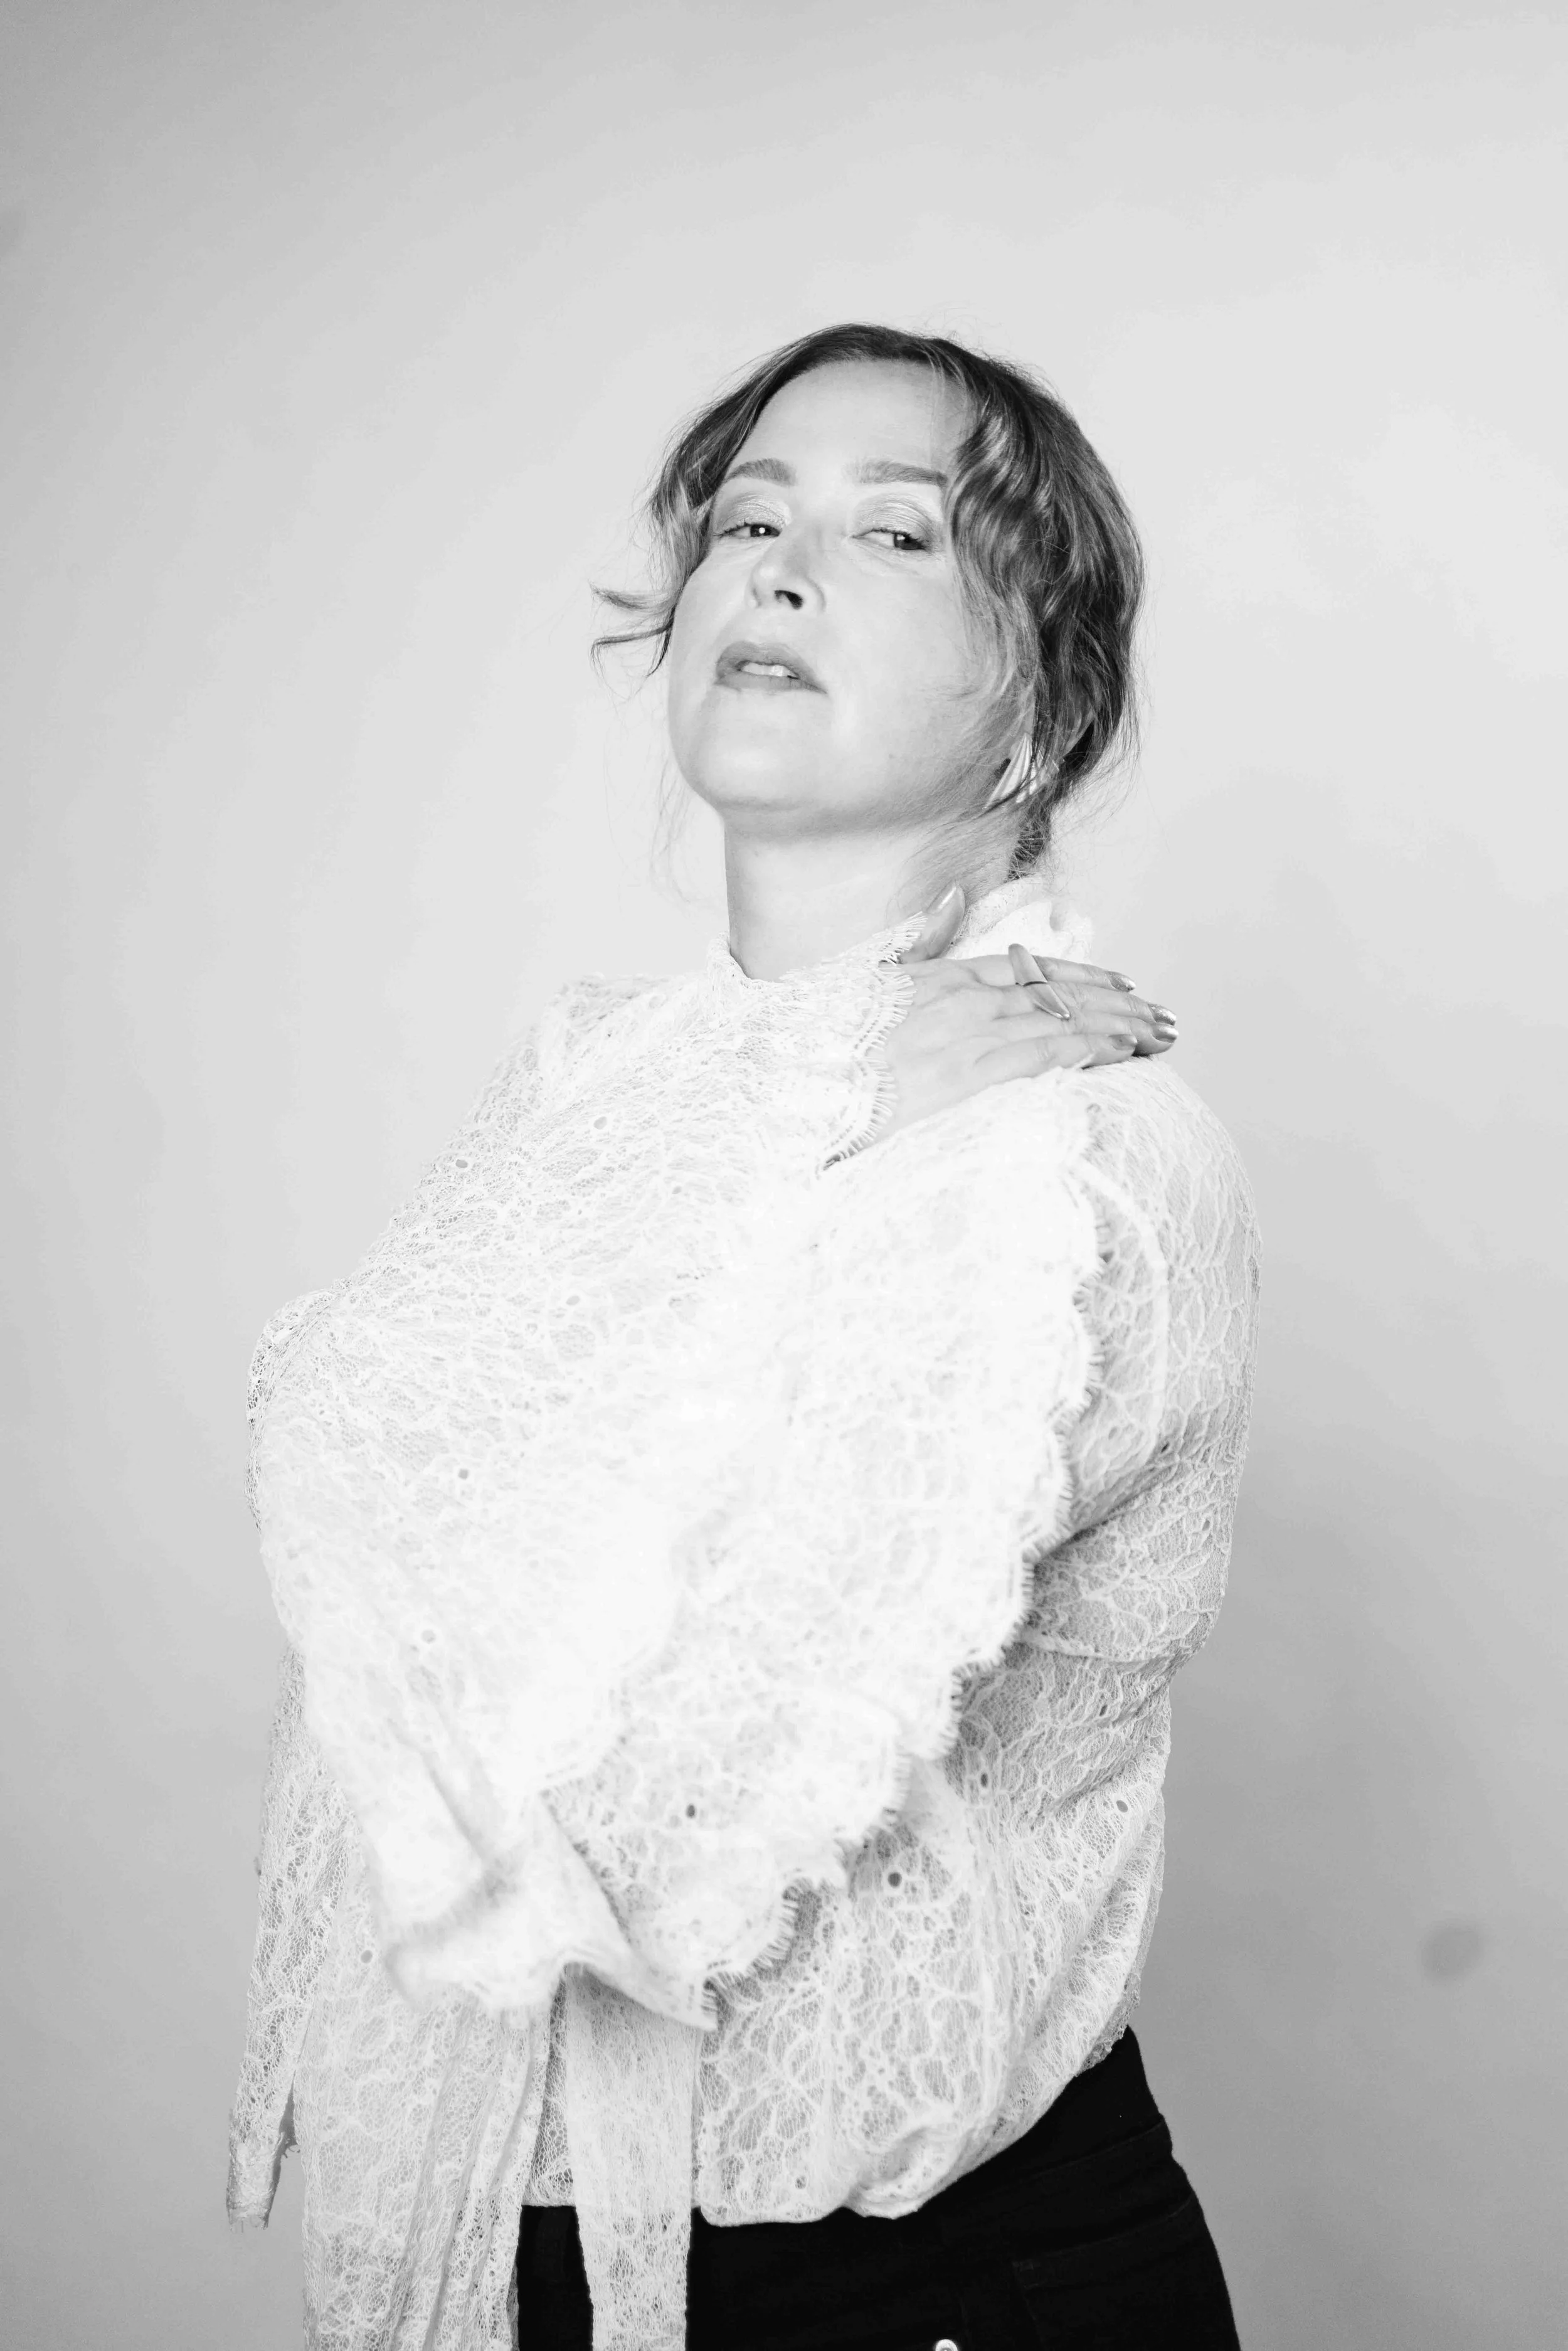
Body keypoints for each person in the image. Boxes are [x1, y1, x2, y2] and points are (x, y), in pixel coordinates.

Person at [228, 324, 1260, 2351]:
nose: (777, 569)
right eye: (744, 518)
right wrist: (815, 1113)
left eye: (894, 532)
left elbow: (625, 1811)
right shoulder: (621, 1085)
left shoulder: (1067, 1145)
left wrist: (804, 1139)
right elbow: (342, 1492)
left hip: (917, 2292)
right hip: (553, 2252)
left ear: (1038, 710)